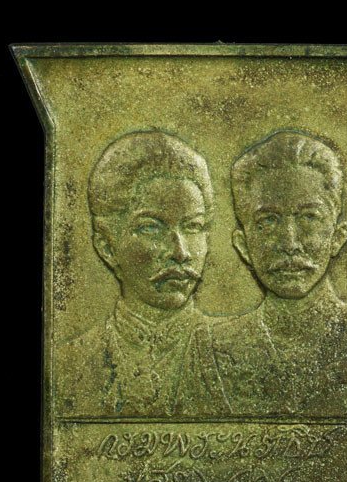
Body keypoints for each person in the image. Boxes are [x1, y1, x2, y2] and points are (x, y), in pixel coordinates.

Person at [201, 131, 347, 416]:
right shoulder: (210, 348)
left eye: (309, 217)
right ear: (243, 244)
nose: (289, 243)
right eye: (268, 220)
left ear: (338, 237)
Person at [56, 130, 230, 417]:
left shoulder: (240, 355)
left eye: (193, 226)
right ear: (107, 247)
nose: (180, 252)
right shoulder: (68, 365)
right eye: (151, 228)